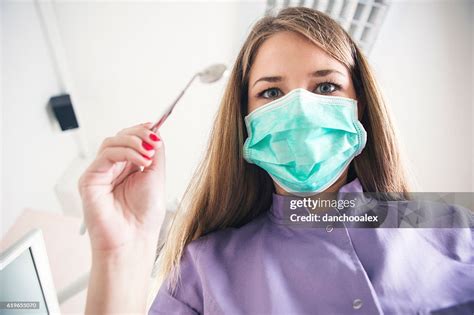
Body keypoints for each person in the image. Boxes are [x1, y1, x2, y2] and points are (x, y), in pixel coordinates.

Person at [78, 7, 474, 315]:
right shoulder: (202, 271)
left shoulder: (456, 231)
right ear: (245, 121)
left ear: (360, 106)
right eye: (270, 93)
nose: (299, 107)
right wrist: (119, 252)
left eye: (326, 86)